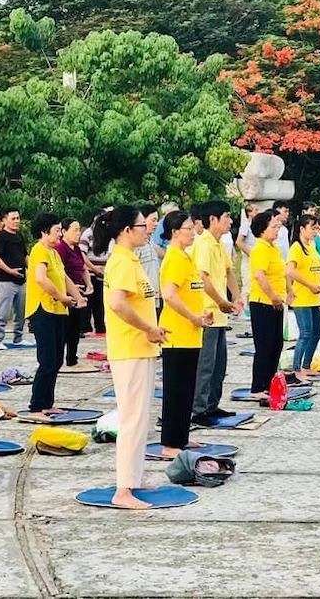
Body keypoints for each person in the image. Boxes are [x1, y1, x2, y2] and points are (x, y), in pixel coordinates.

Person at [94, 206, 167, 509]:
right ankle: (122, 490)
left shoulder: (130, 259)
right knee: (132, 420)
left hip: (140, 347)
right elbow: (117, 304)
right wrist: (148, 328)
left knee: (140, 418)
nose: (147, 229)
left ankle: (133, 479)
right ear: (126, 231)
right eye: (141, 225)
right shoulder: (122, 261)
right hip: (130, 348)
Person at [159, 211, 212, 457]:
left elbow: (190, 292)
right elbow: (168, 295)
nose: (192, 232)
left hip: (192, 333)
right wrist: (192, 317)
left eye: (193, 228)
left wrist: (201, 316)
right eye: (188, 229)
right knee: (176, 390)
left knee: (187, 390)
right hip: (176, 334)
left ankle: (182, 437)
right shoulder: (174, 259)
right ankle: (170, 443)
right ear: (174, 233)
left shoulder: (186, 257)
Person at [25, 213, 86, 416]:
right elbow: (41, 279)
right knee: (48, 359)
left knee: (57, 359)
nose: (60, 234)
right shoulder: (39, 251)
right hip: (43, 310)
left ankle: (47, 403)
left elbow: (65, 277)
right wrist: (61, 297)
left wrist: (78, 296)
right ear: (44, 232)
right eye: (57, 230)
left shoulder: (54, 253)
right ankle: (36, 405)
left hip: (58, 310)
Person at [190, 200, 242, 425]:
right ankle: (198, 410)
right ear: (212, 219)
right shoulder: (203, 244)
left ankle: (212, 405)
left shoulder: (220, 244)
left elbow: (230, 273)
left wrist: (237, 297)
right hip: (208, 312)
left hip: (220, 313)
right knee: (206, 364)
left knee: (220, 364)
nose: (230, 221)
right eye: (226, 217)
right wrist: (221, 301)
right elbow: (203, 277)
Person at [248, 210, 291, 400]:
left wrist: (288, 291)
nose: (277, 230)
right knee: (264, 346)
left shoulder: (273, 248)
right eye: (273, 227)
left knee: (276, 345)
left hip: (276, 303)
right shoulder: (260, 248)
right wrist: (273, 296)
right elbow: (259, 275)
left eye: (277, 226)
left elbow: (281, 273)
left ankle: (269, 383)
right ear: (262, 230)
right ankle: (258, 386)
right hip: (263, 303)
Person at [286, 214, 320, 380]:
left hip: (314, 297)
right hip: (302, 297)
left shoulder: (312, 245)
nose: (315, 231)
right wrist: (309, 285)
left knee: (317, 333)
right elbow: (290, 271)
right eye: (312, 228)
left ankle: (306, 365)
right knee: (306, 333)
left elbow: (318, 266)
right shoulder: (296, 247)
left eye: (317, 228)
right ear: (302, 229)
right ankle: (296, 369)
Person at [55, 217, 94, 371]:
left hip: (79, 294)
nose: (79, 233)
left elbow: (83, 268)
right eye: (75, 230)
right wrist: (70, 289)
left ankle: (72, 359)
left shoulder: (76, 248)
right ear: (64, 232)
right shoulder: (60, 248)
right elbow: (60, 274)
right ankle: (60, 361)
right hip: (66, 295)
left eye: (79, 230)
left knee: (76, 329)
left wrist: (89, 284)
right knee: (65, 329)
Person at [0, 208, 28, 348]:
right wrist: (9, 270)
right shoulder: (1, 236)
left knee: (21, 311)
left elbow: (25, 256)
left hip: (21, 279)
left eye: (18, 218)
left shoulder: (19, 236)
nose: (16, 221)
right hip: (6, 280)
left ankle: (19, 337)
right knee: (3, 311)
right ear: (4, 220)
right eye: (13, 218)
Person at [80, 209, 112, 335]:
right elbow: (82, 254)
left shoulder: (108, 233)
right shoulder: (88, 233)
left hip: (104, 274)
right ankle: (85, 328)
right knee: (89, 301)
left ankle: (100, 327)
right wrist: (94, 268)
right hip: (91, 273)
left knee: (101, 302)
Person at [135, 204, 161, 314]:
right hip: (141, 299)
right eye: (153, 220)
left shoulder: (151, 241)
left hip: (154, 297)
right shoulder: (136, 244)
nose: (156, 224)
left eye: (157, 220)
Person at [236, 203, 259, 306]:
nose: (258, 212)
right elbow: (239, 242)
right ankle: (242, 307)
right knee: (247, 285)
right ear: (249, 213)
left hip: (256, 259)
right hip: (248, 259)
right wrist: (251, 254)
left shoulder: (257, 226)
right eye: (256, 210)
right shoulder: (246, 226)